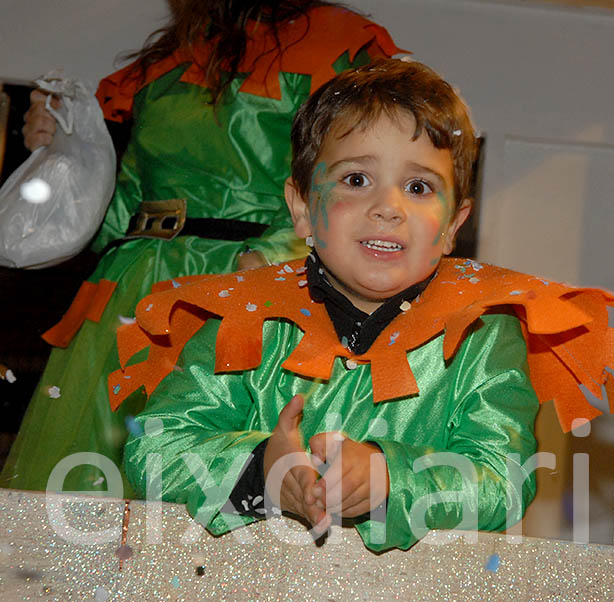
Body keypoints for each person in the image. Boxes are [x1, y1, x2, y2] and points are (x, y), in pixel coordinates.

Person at [115, 59, 614, 551]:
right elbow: (151, 453)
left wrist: (393, 478)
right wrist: (263, 470)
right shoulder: (244, 319)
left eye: (417, 186)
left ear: (453, 227)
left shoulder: (481, 336)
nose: (388, 207)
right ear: (302, 209)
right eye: (356, 179)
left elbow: (503, 482)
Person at [0, 1, 402, 496]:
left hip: (241, 289)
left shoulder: (340, 47)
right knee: (85, 493)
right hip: (132, 292)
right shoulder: (167, 60)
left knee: (207, 480)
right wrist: (62, 152)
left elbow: (352, 180)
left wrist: (269, 262)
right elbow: (123, 201)